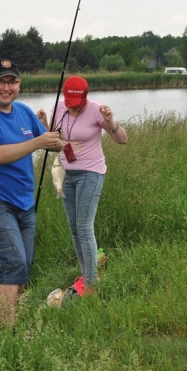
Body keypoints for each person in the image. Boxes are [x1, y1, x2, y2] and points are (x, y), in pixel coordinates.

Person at [0, 59, 63, 328]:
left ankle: (12, 318)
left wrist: (56, 139)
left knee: (25, 264)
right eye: (0, 81)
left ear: (19, 85)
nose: (6, 87)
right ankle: (6, 332)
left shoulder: (24, 111)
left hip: (25, 201)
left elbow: (52, 143)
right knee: (13, 262)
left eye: (11, 82)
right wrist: (36, 142)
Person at [37, 75, 128, 296]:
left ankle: (91, 283)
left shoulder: (96, 110)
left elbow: (122, 139)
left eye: (77, 103)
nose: (73, 107)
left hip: (91, 173)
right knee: (74, 229)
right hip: (66, 174)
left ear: (85, 97)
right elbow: (54, 139)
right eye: (70, 102)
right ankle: (86, 273)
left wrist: (111, 121)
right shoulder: (58, 107)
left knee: (84, 227)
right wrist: (44, 124)